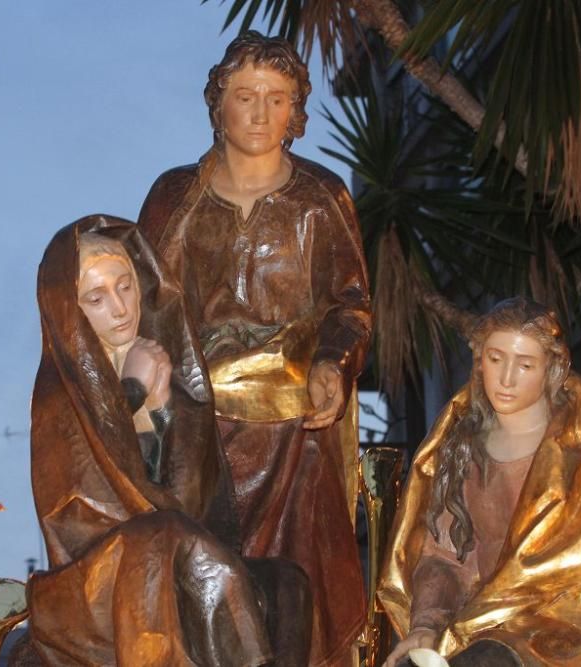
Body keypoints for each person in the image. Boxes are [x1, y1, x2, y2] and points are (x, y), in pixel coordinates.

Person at [138, 31, 370, 666]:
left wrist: (333, 363)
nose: (262, 113)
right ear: (219, 104)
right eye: (246, 96)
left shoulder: (321, 198)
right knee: (200, 584)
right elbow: (148, 306)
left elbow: (349, 303)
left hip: (292, 427)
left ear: (296, 111)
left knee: (291, 590)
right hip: (198, 423)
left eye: (278, 98)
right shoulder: (174, 197)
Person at [27, 216, 310, 666]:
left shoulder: (170, 376)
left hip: (166, 545)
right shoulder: (61, 396)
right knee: (168, 541)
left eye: (125, 287)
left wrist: (160, 406)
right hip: (97, 580)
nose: (120, 309)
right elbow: (96, 511)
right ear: (70, 309)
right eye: (96, 299)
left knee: (284, 581)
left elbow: (182, 500)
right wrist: (135, 397)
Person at [378, 297, 581, 666]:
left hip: (555, 626)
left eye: (525, 364)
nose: (506, 378)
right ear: (478, 358)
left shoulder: (578, 453)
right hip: (474, 621)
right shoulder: (460, 444)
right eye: (496, 359)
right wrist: (427, 622)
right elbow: (445, 557)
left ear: (553, 369)